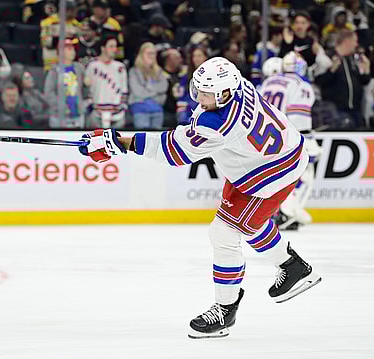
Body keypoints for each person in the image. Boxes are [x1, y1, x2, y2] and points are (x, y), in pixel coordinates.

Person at [79, 57, 322, 338]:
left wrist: (119, 142)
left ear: (224, 94)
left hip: (270, 173)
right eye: (199, 89)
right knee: (249, 223)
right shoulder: (237, 85)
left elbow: (174, 151)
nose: (199, 97)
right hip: (265, 159)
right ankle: (293, 267)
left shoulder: (219, 122)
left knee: (224, 234)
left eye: (206, 93)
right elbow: (193, 128)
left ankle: (225, 309)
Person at [259, 52, 320, 230]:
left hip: (263, 136)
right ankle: (288, 212)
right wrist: (307, 141)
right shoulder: (301, 85)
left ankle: (275, 213)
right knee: (303, 173)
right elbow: (299, 119)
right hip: (287, 135)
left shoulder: (268, 82)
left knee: (274, 176)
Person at [316, 29, 370, 128]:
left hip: (356, 109)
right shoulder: (327, 57)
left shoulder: (354, 59)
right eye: (355, 41)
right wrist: (331, 71)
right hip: (336, 110)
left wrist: (366, 71)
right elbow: (319, 81)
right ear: (347, 41)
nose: (356, 44)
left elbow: (363, 82)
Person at [84, 35, 128, 128]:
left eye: (115, 46)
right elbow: (87, 88)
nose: (114, 49)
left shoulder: (120, 67)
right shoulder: (93, 66)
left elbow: (124, 90)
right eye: (111, 46)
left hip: (117, 114)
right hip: (97, 113)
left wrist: (122, 106)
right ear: (103, 48)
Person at [44, 38, 85, 129]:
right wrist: (60, 107)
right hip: (59, 117)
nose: (72, 51)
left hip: (77, 115)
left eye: (73, 48)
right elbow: (48, 92)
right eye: (68, 48)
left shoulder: (80, 69)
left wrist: (84, 104)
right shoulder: (54, 71)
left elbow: (85, 88)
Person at [128, 42, 168, 129]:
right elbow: (138, 92)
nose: (151, 56)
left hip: (157, 109)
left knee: (157, 140)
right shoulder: (134, 71)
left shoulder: (159, 71)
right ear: (142, 54)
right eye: (149, 53)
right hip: (140, 110)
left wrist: (149, 87)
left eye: (153, 53)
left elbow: (164, 87)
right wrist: (156, 93)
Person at [40, 0, 81, 71]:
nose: (76, 12)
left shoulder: (76, 24)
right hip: (52, 63)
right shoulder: (49, 22)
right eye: (74, 10)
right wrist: (63, 38)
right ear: (67, 10)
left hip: (69, 63)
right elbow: (44, 41)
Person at [177, 45, 207, 124]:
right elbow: (181, 97)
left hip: (205, 108)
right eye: (194, 56)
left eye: (199, 56)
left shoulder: (212, 76)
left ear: (205, 57)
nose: (196, 59)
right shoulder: (186, 76)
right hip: (187, 108)